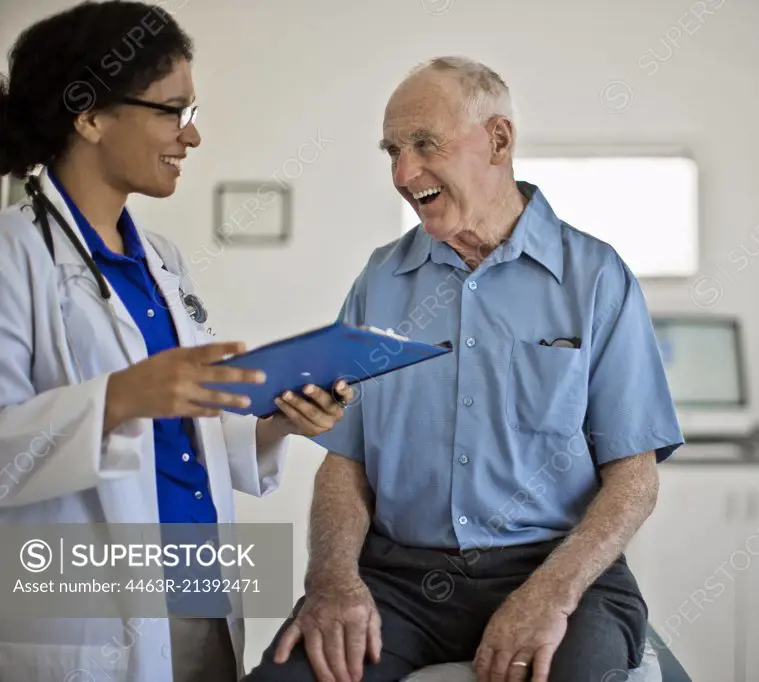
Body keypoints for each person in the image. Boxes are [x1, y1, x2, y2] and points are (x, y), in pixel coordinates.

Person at [244, 56, 684, 682]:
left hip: (554, 567)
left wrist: (549, 594)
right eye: (392, 150)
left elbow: (634, 479)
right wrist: (333, 580)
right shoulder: (381, 279)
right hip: (400, 579)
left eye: (425, 144)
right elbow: (345, 464)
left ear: (499, 140)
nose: (403, 172)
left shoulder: (595, 278)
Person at [0, 3, 353, 682]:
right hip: (87, 596)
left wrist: (274, 426)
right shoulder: (13, 255)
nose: (190, 137)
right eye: (173, 111)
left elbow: (191, 432)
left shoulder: (162, 262)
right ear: (91, 116)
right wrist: (119, 399)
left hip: (198, 576)